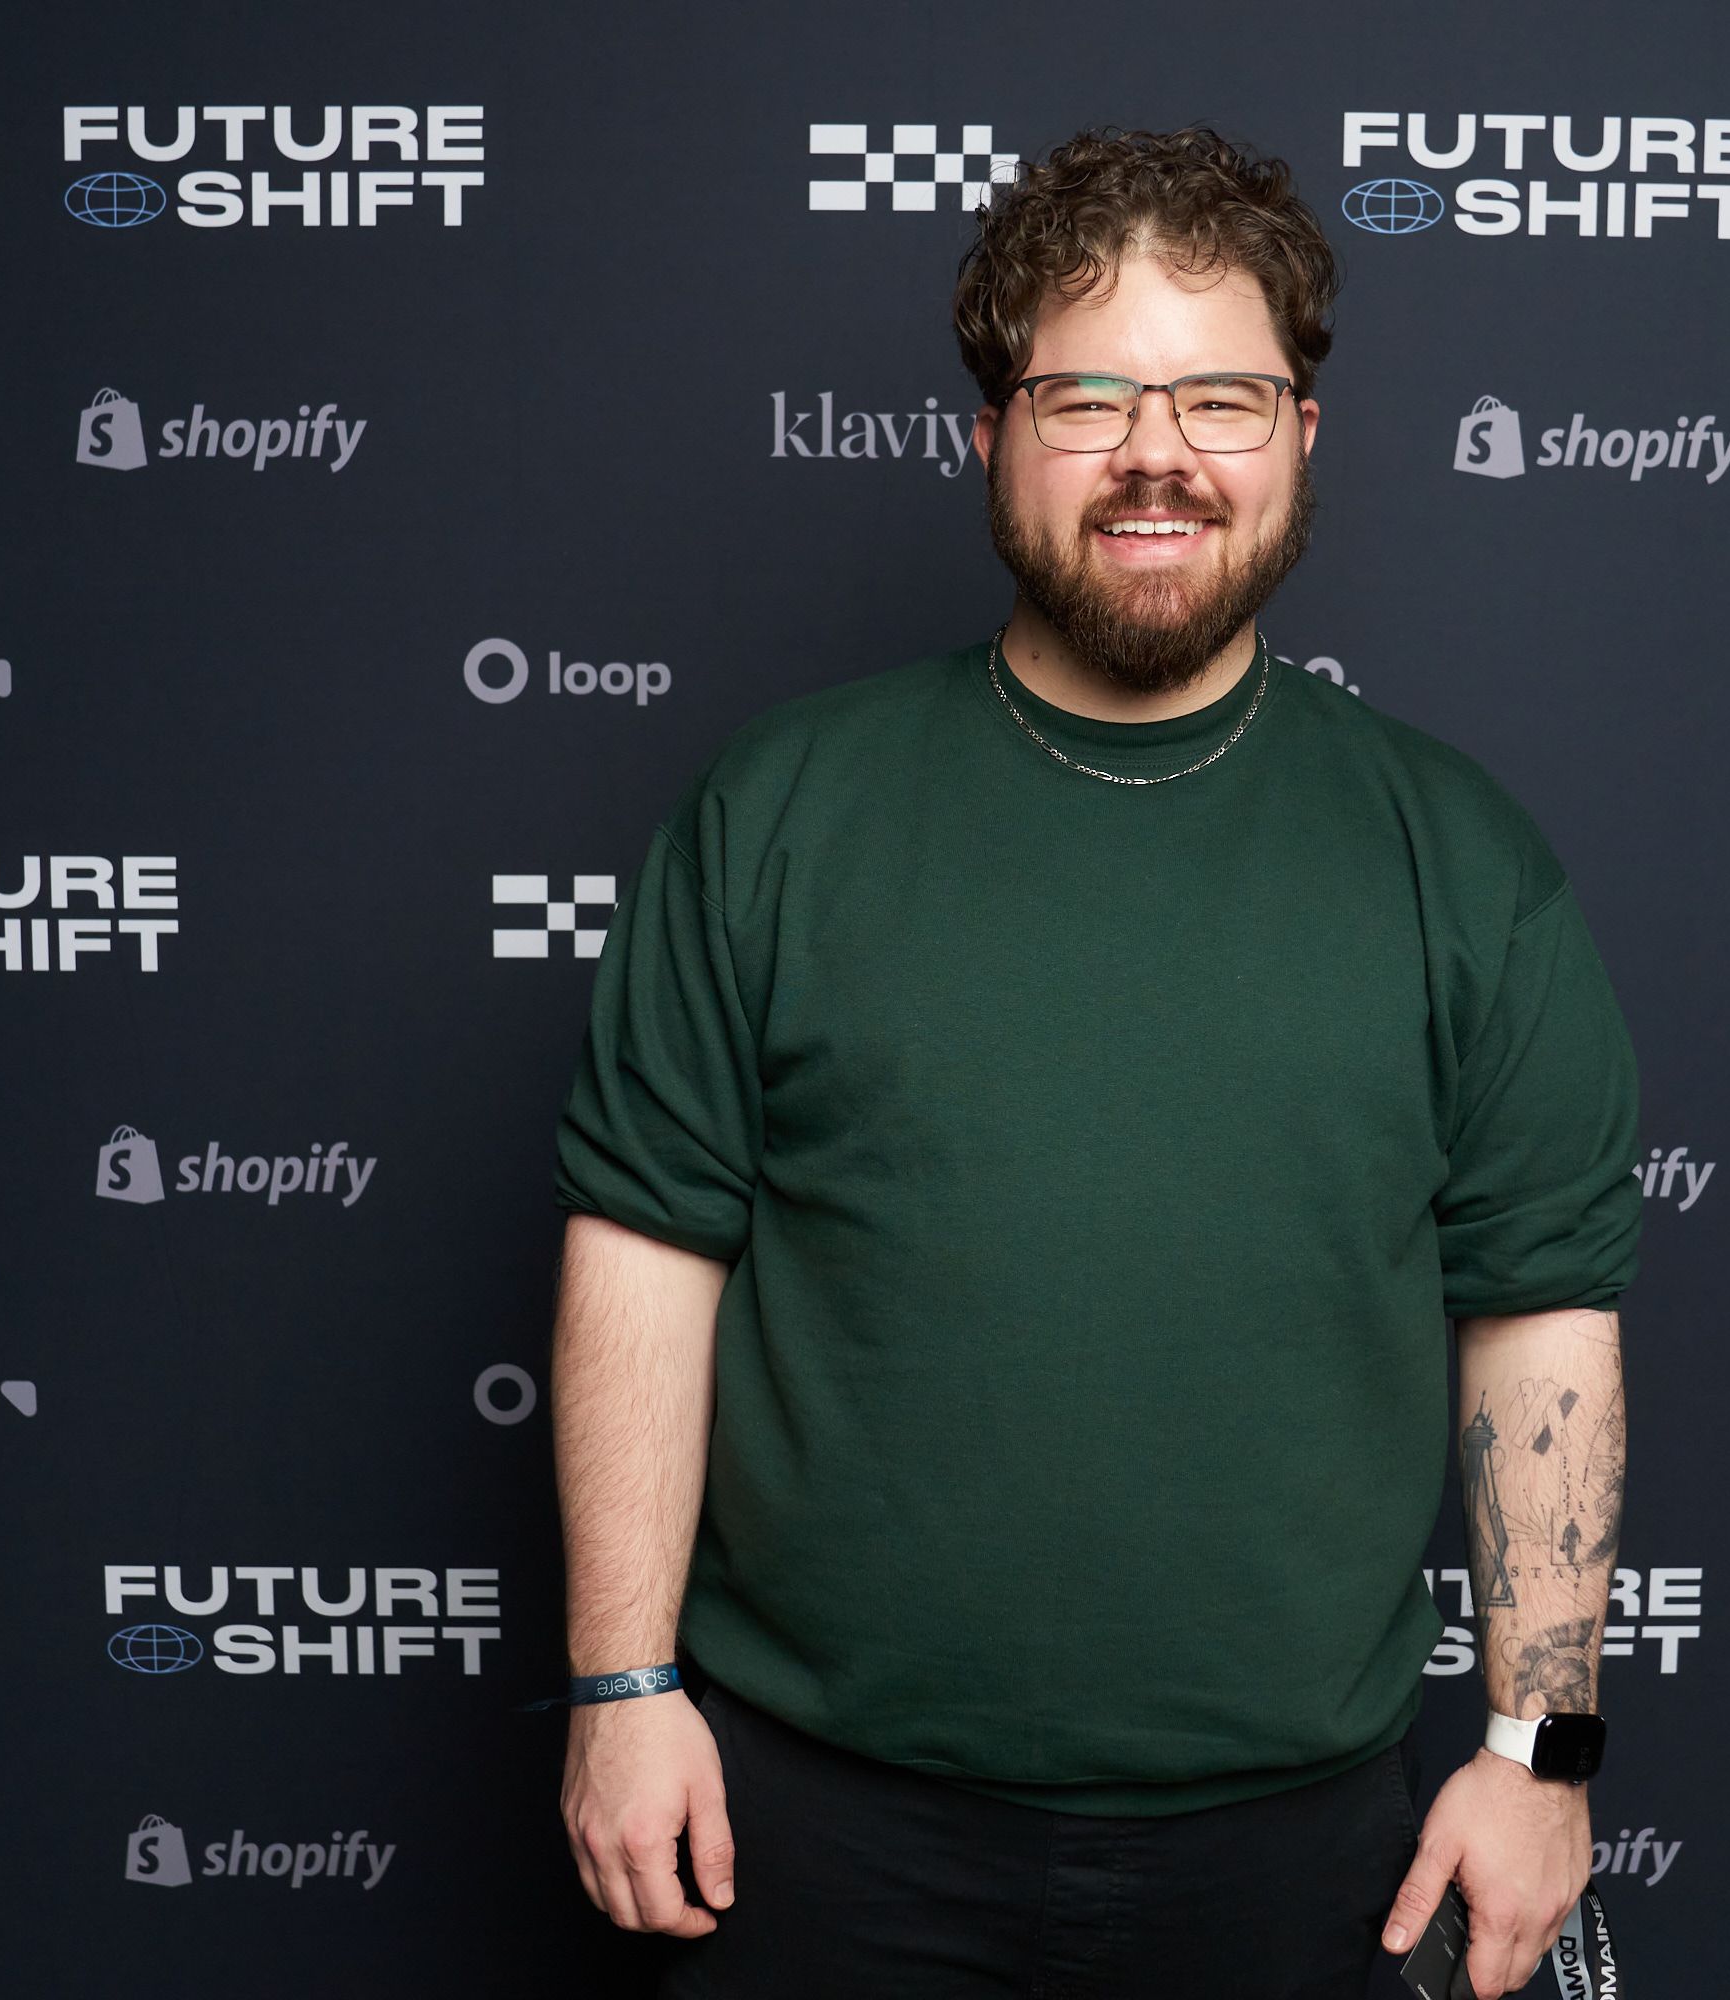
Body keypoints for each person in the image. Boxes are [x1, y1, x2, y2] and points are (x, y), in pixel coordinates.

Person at [549, 124, 1639, 2000]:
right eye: (1088, 397)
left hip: (1315, 1846)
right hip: (809, 1821)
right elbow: (646, 1262)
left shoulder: (1454, 855)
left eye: (1223, 397)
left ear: (1305, 439)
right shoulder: (782, 807)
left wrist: (1540, 1751)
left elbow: (1539, 1317)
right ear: (989, 439)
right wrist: (620, 1685)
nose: (1158, 454)